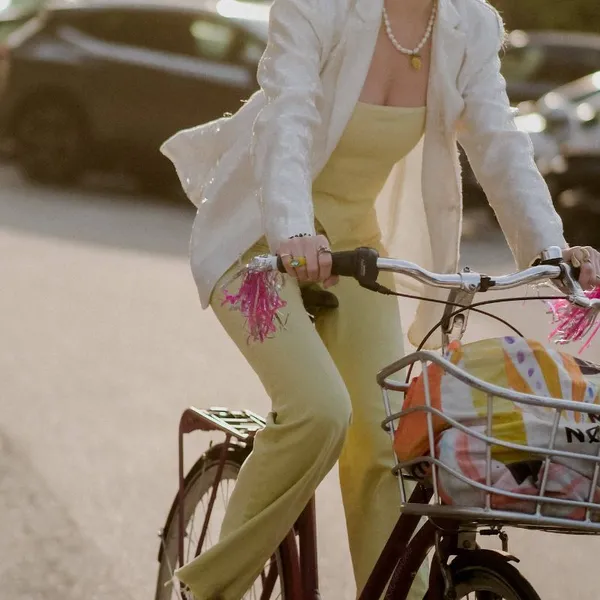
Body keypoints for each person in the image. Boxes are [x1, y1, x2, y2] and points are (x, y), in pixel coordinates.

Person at [161, 0, 600, 597]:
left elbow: (500, 143)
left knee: (383, 441)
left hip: (354, 253)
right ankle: (208, 590)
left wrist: (551, 248)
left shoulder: (469, 25)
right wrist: (292, 230)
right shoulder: (318, 9)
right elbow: (287, 120)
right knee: (320, 412)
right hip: (260, 245)